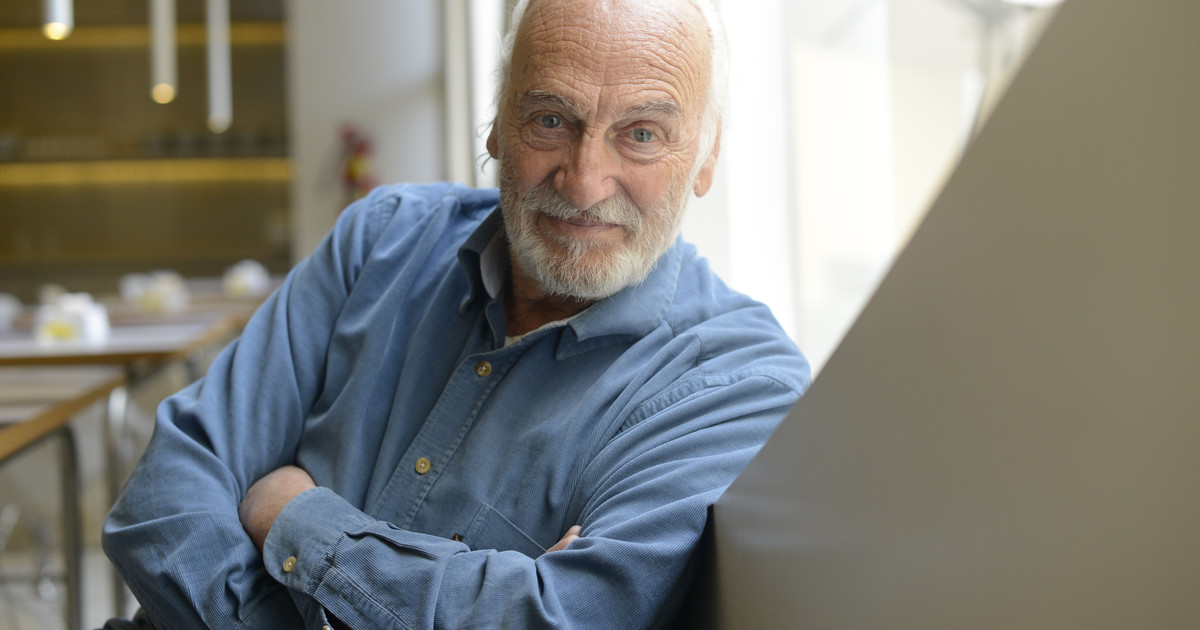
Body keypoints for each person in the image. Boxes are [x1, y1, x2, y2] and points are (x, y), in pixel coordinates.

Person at [102, 0, 810, 628]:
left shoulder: (737, 384)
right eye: (550, 119)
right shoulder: (379, 239)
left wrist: (290, 517)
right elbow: (162, 503)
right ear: (497, 124)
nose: (585, 182)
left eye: (643, 134)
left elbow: (557, 621)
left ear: (706, 157)